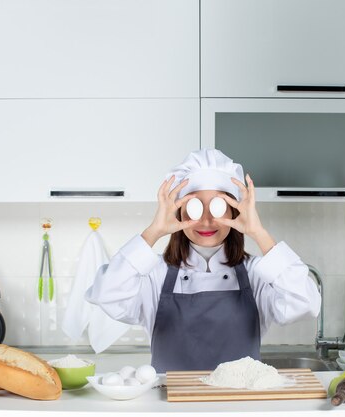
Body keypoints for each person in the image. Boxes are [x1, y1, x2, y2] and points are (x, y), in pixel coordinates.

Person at [86, 149, 321, 372]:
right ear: (178, 211)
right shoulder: (153, 275)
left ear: (234, 212)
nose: (207, 221)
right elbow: (106, 294)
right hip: (169, 406)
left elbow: (307, 303)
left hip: (239, 407)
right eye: (194, 207)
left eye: (219, 207)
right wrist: (154, 231)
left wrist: (259, 232)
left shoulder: (258, 274)